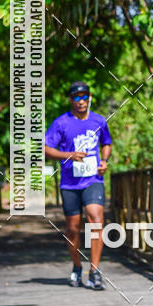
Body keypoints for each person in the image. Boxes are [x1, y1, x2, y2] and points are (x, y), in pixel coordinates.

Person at [44, 82, 112, 290]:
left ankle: (94, 271)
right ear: (70, 100)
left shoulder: (99, 120)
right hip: (70, 183)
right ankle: (76, 266)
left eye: (84, 96)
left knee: (96, 219)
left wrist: (104, 162)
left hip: (93, 180)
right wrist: (69, 156)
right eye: (76, 97)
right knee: (73, 229)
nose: (81, 101)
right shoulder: (61, 123)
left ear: (89, 98)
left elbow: (106, 143)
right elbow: (46, 149)